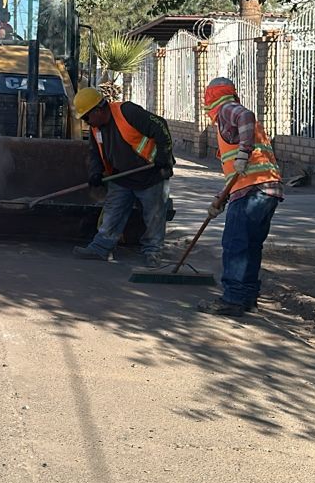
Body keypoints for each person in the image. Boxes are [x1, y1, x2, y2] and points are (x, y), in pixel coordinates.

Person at [197, 77, 283, 317]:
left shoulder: (226, 109)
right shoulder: (226, 122)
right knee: (250, 246)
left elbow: (246, 115)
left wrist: (244, 152)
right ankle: (247, 297)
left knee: (235, 245)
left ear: (210, 97)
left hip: (253, 191)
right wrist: (220, 199)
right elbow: (236, 173)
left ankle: (233, 299)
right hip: (267, 189)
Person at [71, 87, 175, 268]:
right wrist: (95, 173)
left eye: (87, 117)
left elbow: (160, 126)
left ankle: (153, 251)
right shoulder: (97, 129)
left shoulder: (127, 112)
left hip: (150, 174)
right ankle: (100, 248)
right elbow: (95, 153)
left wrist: (163, 156)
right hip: (121, 176)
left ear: (98, 110)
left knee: (154, 216)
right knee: (112, 213)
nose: (87, 122)